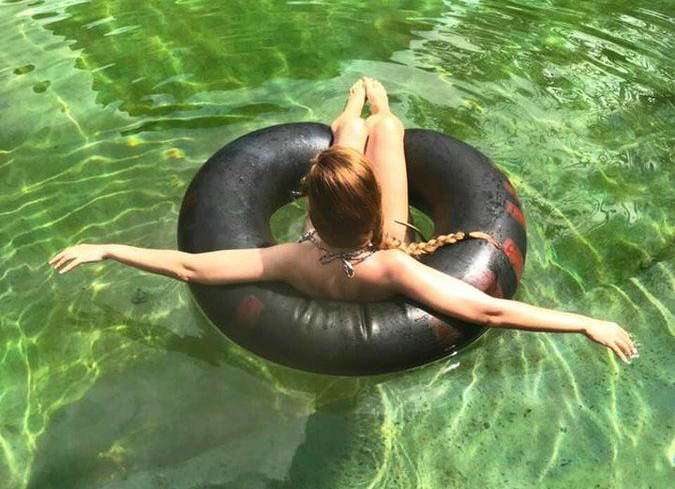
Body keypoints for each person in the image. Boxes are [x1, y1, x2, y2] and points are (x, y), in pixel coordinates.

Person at [49, 78, 638, 364]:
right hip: (386, 239)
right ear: (376, 203)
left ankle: (353, 107)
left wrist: (107, 248)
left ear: (307, 210)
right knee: (388, 133)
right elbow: (488, 309)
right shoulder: (391, 266)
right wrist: (585, 323)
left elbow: (189, 266)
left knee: (349, 136)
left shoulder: (292, 256)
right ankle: (379, 107)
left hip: (336, 236)